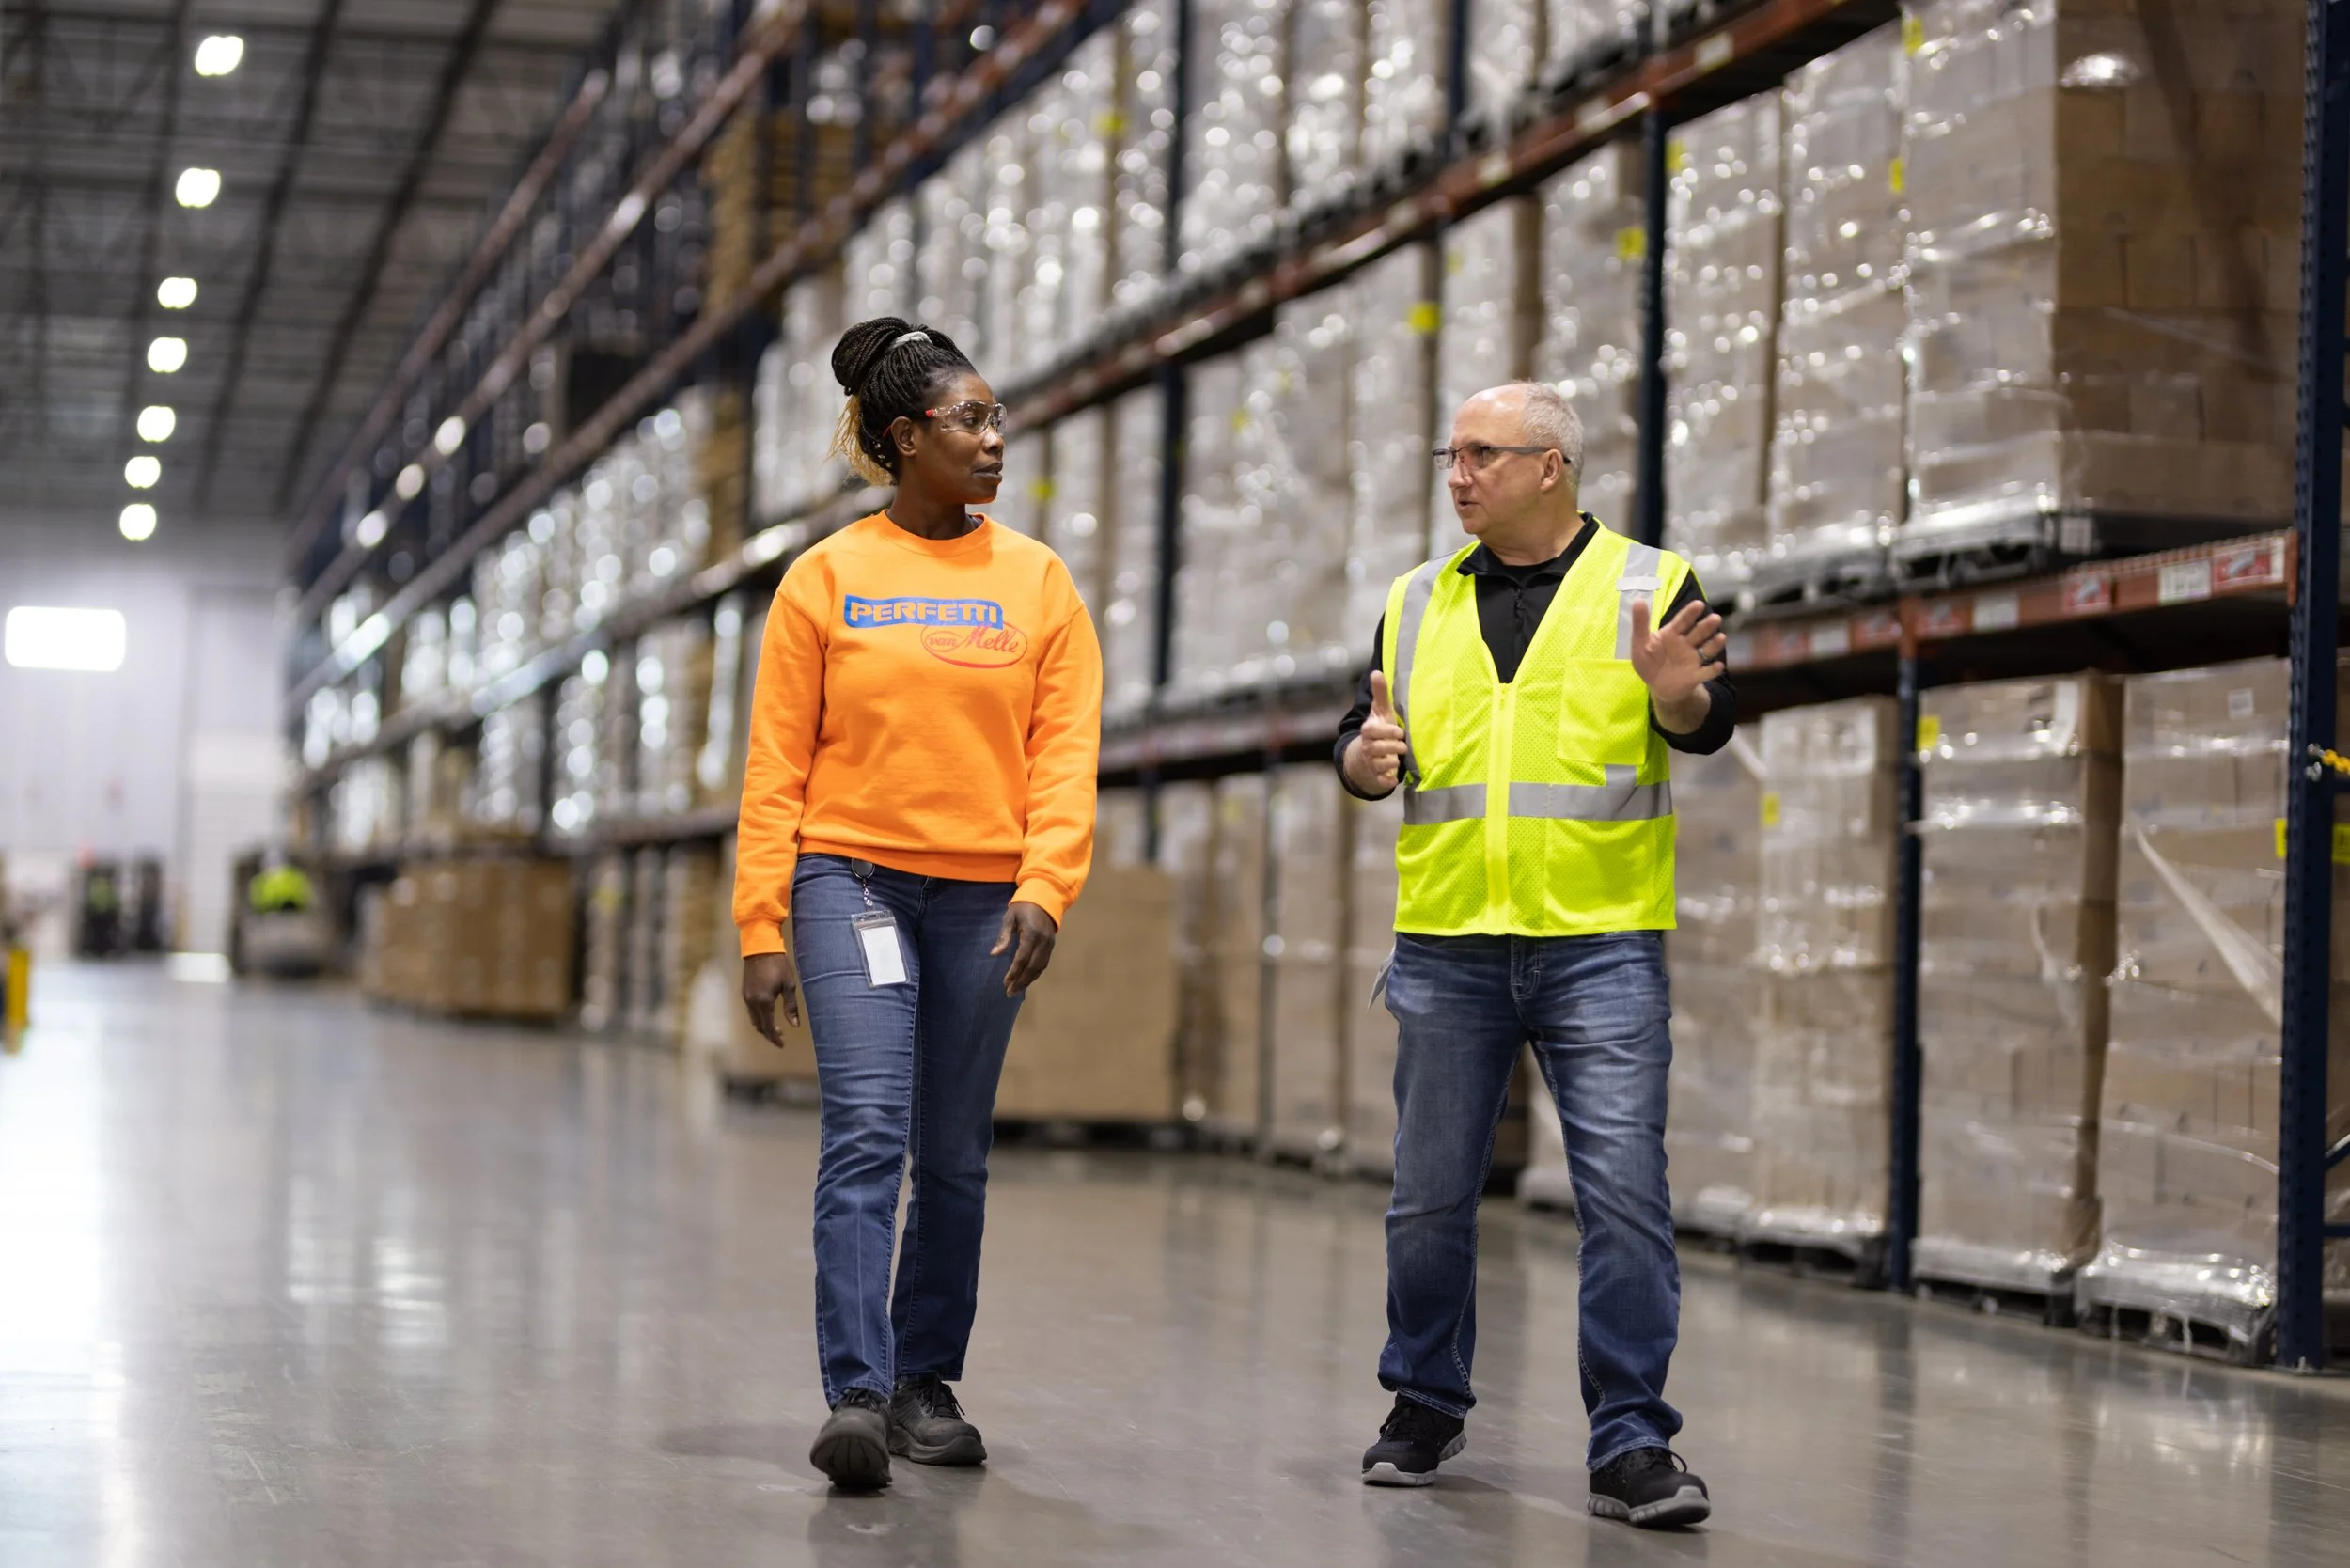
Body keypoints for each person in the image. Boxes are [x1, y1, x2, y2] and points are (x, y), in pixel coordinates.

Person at [1334, 381, 1733, 1528]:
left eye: (1481, 454)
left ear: (1550, 466)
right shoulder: (1415, 600)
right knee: (1425, 1197)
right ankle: (1422, 1401)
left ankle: (1629, 1444)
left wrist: (1680, 704)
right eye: (1448, 453)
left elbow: (1711, 717)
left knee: (1621, 1195)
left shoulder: (1651, 583)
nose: (1455, 474)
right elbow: (1365, 738)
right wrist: (1357, 762)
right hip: (1451, 938)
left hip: (1597, 941)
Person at [733, 317, 1103, 1491]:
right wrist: (759, 926)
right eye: (973, 420)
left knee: (950, 1153)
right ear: (907, 437)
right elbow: (774, 767)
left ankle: (922, 1383)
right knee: (868, 1133)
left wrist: (1048, 883)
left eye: (997, 420)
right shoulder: (826, 579)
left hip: (984, 895)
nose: (997, 441)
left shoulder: (1037, 581)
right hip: (850, 880)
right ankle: (853, 1392)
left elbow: (1064, 755)